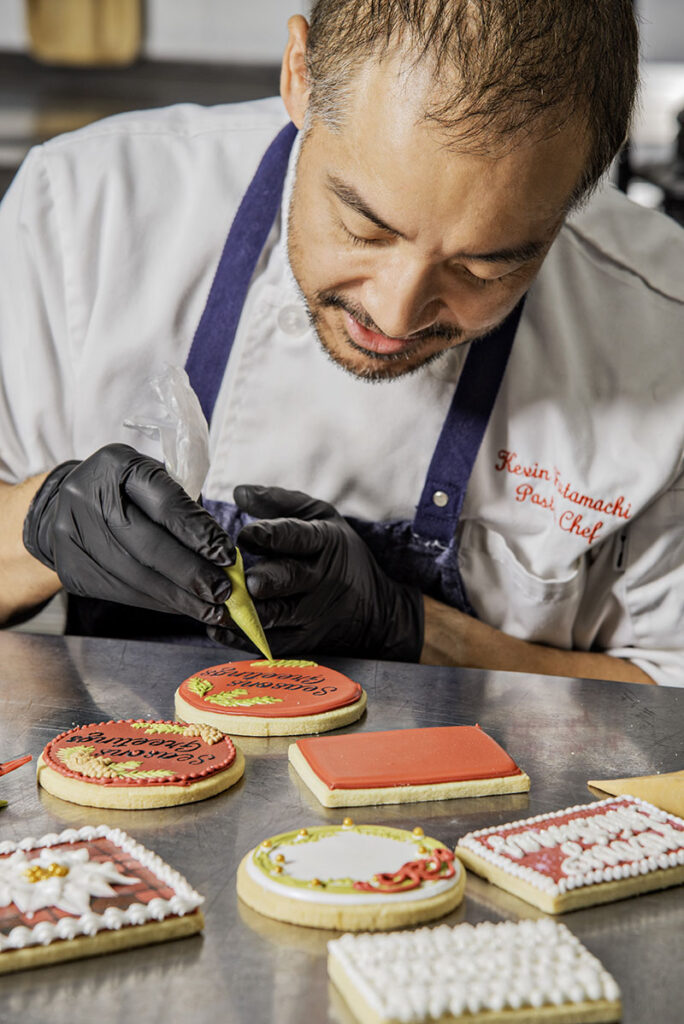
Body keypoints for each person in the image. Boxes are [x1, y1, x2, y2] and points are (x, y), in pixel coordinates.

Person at [1, 1, 683, 685]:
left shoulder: (659, 330)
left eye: (484, 267)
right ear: (300, 75)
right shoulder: (80, 215)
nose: (395, 314)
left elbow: (667, 699)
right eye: (365, 227)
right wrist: (40, 525)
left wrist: (414, 629)